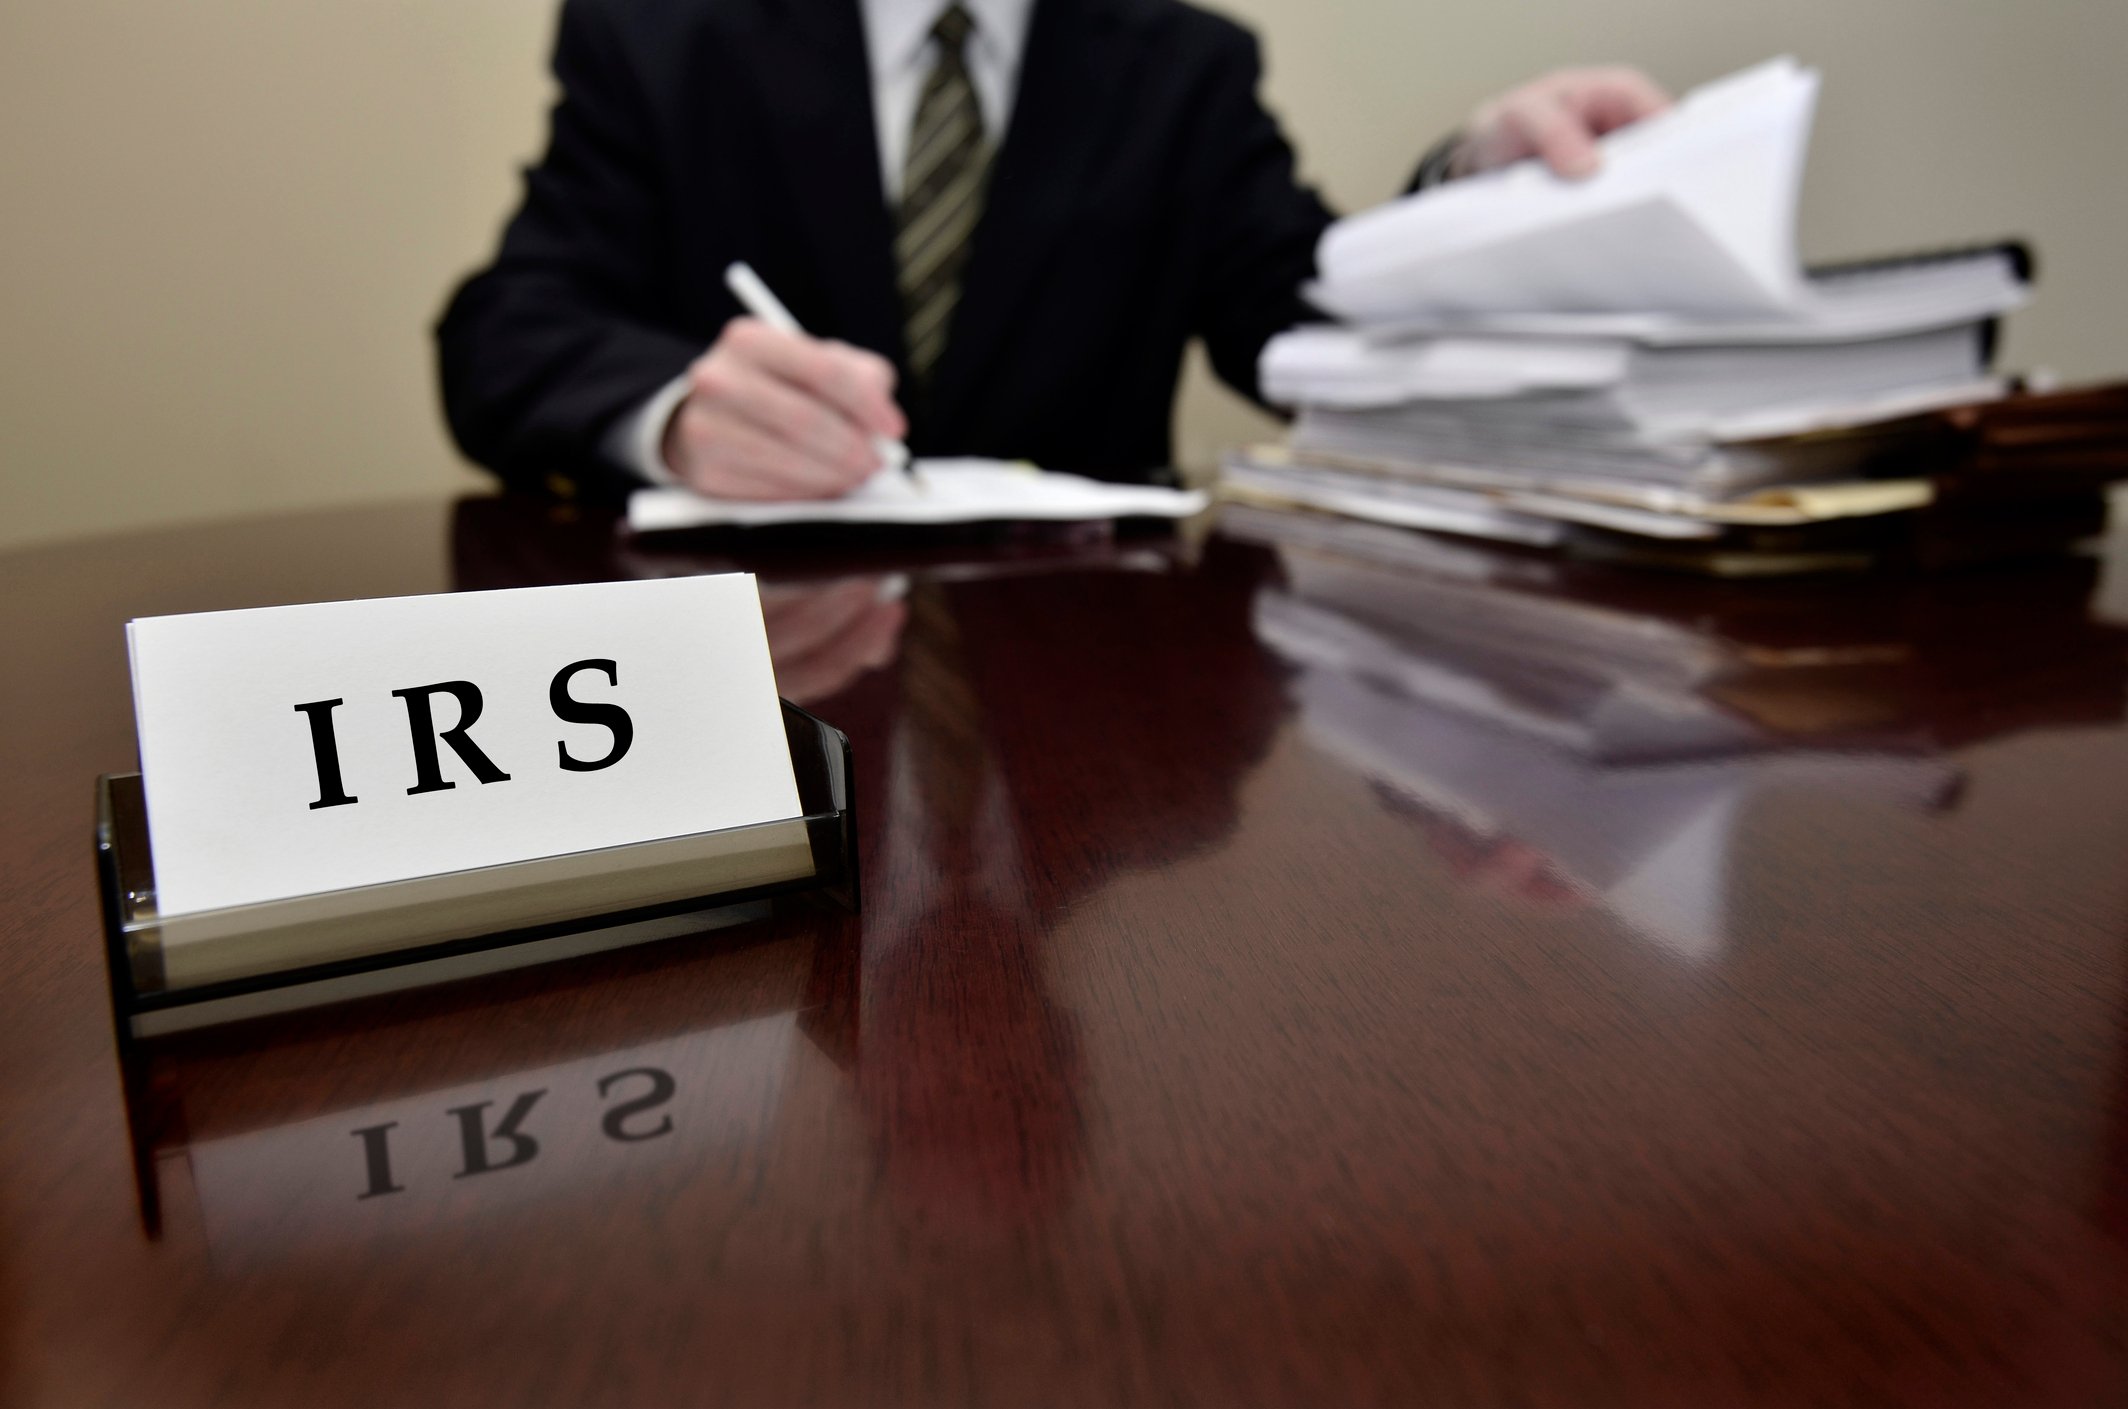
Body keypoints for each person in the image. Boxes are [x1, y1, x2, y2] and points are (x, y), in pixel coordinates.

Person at [436, 0, 1667, 501]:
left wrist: (1472, 191)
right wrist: (672, 413)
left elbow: (1303, 322)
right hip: (762, 677)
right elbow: (509, 329)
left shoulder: (1185, 65)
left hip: (1089, 671)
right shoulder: (660, 34)